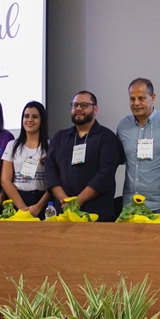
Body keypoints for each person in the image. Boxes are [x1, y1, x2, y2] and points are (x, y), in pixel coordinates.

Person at [44, 91, 120, 222]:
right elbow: (50, 171)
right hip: (63, 213)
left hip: (97, 215)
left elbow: (105, 174)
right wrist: (66, 201)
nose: (78, 109)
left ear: (95, 109)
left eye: (84, 105)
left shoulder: (107, 137)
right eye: (75, 105)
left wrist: (77, 201)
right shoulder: (60, 137)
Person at [117, 78, 160, 219]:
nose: (136, 103)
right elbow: (119, 159)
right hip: (130, 205)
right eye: (132, 99)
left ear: (152, 97)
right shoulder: (123, 126)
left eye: (141, 98)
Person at [1, 101, 50, 220]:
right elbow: (5, 180)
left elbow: (55, 182)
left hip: (42, 201)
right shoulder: (12, 146)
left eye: (35, 116)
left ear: (42, 120)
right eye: (26, 116)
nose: (30, 120)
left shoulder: (51, 146)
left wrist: (39, 206)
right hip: (18, 199)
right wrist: (22, 207)